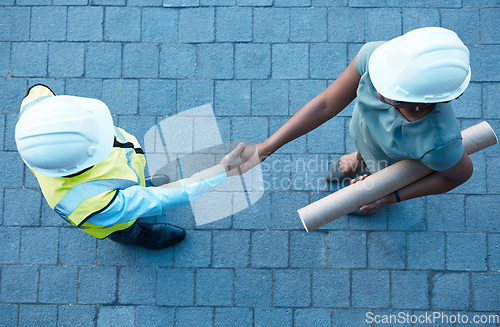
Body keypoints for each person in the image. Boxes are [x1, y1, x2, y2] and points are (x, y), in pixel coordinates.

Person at [240, 27, 473, 215]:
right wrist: (265, 148)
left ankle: (373, 184)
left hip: (392, 165)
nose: (379, 90)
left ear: (421, 101)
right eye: (382, 78)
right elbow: (325, 104)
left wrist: (389, 197)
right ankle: (360, 159)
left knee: (364, 194)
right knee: (366, 144)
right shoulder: (376, 59)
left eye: (392, 94)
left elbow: (458, 176)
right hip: (366, 135)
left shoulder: (439, 144)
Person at [15, 84, 246, 249]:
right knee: (126, 230)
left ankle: (138, 185)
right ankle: (141, 236)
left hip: (119, 186)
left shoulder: (39, 115)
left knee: (134, 190)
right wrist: (222, 170)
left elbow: (38, 91)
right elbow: (167, 197)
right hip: (115, 219)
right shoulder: (92, 204)